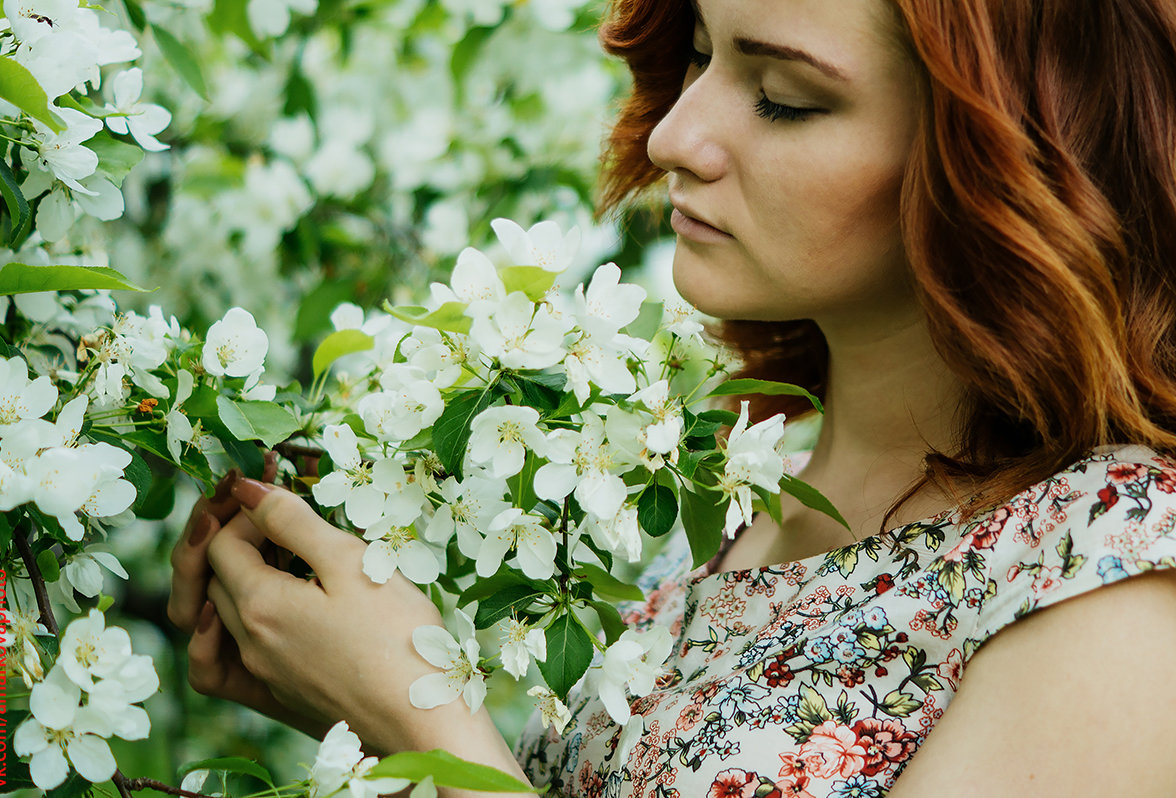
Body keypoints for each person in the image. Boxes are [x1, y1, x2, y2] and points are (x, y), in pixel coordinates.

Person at [168, 0, 1176, 795]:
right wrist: (347, 691)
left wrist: (422, 721)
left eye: (783, 96)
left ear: (1009, 157)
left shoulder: (1118, 578)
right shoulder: (709, 501)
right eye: (698, 54)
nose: (673, 137)